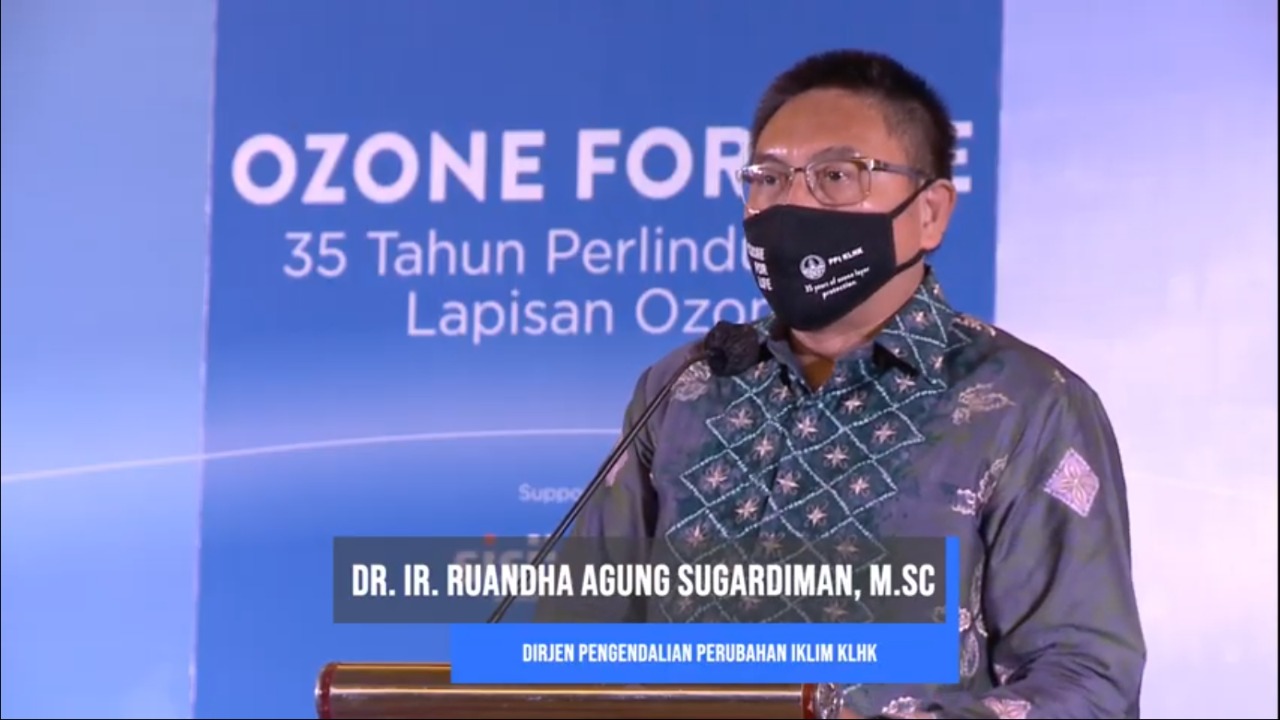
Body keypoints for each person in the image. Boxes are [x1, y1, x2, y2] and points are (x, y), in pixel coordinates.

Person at [539, 49, 1146, 719]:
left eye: (836, 175)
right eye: (768, 178)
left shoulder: (1028, 404)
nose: (792, 202)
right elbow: (572, 640)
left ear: (930, 212)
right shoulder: (685, 387)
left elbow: (1087, 680)